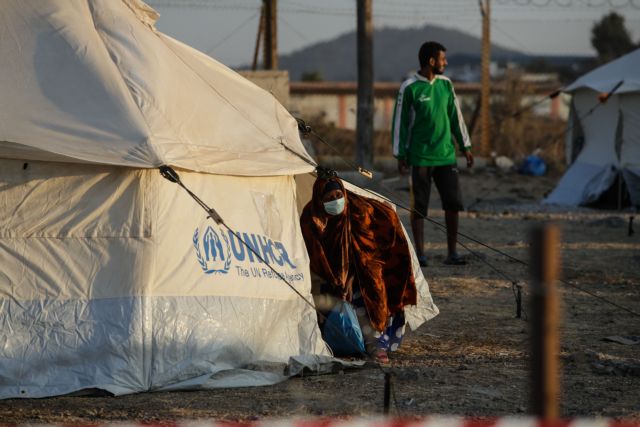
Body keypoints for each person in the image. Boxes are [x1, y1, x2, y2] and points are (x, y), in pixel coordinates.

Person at [300, 177, 417, 365]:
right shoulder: (311, 219)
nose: (335, 201)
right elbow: (314, 260)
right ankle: (340, 341)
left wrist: (351, 278)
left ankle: (375, 345)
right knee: (324, 299)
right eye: (329, 198)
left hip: (362, 271)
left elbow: (368, 254)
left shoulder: (358, 213)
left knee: (368, 289)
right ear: (319, 200)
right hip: (327, 279)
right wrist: (336, 282)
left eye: (339, 195)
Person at [391, 41, 474, 267]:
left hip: (446, 156)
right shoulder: (409, 87)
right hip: (420, 158)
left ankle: (452, 253)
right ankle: (420, 254)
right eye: (443, 59)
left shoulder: (446, 85)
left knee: (453, 204)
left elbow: (456, 117)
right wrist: (400, 155)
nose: (445, 63)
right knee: (419, 206)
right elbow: (401, 123)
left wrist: (465, 146)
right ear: (431, 61)